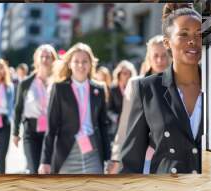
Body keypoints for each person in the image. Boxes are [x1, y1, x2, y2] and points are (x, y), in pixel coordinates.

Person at [120, 4, 202, 174]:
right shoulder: (146, 89)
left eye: (199, 34)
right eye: (184, 34)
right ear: (167, 42)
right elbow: (131, 161)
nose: (193, 40)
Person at [38, 43, 110, 174]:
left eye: (85, 61)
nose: (81, 65)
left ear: (90, 64)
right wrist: (45, 161)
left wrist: (108, 158)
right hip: (67, 150)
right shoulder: (59, 89)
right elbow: (51, 127)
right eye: (76, 61)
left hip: (93, 150)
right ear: (70, 64)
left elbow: (103, 125)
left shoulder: (99, 89)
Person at [107, 35, 169, 174]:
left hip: (170, 159)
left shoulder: (177, 84)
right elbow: (125, 125)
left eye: (164, 55)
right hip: (142, 158)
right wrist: (116, 157)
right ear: (149, 58)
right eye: (155, 56)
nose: (160, 60)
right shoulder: (136, 84)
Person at [13, 44, 58, 174]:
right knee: (34, 169)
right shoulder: (26, 83)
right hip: (31, 131)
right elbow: (18, 108)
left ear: (53, 60)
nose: (44, 59)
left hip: (52, 131)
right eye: (42, 57)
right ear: (37, 60)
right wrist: (15, 133)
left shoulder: (58, 83)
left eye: (48, 57)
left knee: (49, 170)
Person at [108, 60, 137, 131]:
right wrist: (118, 118)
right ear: (119, 74)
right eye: (124, 73)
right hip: (118, 126)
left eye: (129, 73)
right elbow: (109, 109)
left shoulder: (135, 88)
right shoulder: (113, 89)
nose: (127, 76)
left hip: (133, 124)